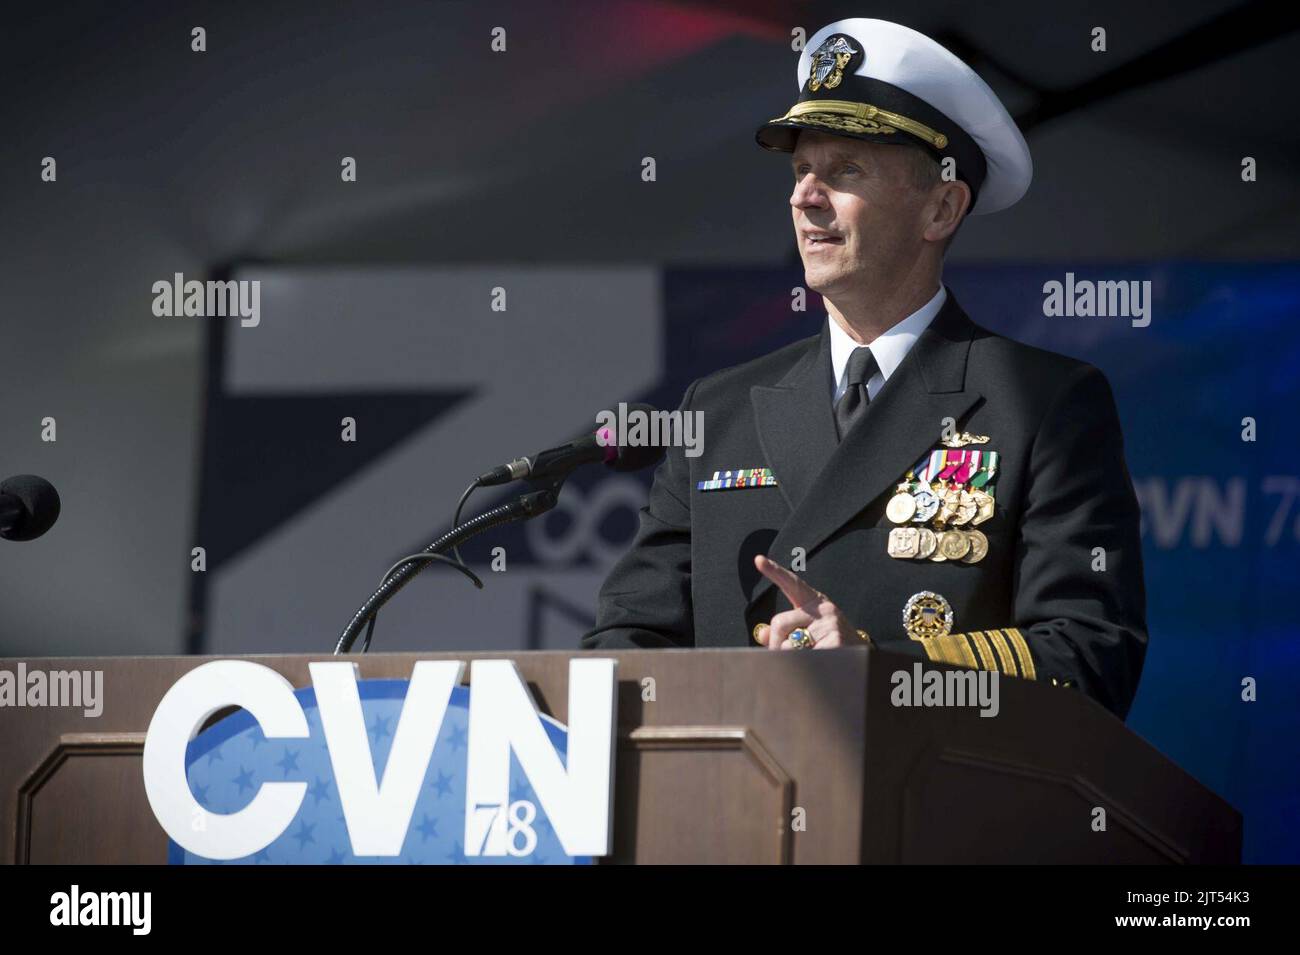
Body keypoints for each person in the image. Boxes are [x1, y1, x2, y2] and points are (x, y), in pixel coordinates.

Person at [581, 18, 1147, 720]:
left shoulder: (1042, 402)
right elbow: (627, 643)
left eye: (845, 170)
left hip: (924, 810)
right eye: (800, 172)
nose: (805, 197)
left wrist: (878, 668)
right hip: (726, 814)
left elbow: (1090, 656)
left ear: (941, 206)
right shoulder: (718, 410)